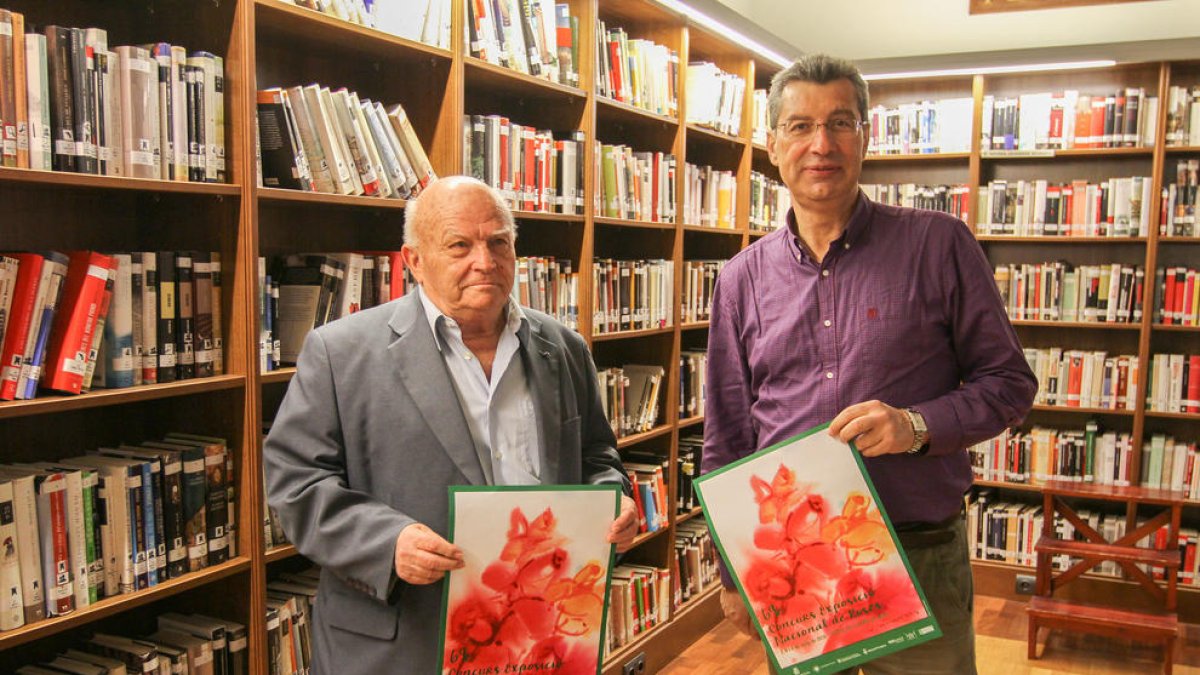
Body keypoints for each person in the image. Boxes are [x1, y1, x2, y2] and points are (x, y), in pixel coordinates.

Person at [702, 53, 1037, 674]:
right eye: (799, 126)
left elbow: (1010, 384)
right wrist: (733, 569)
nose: (821, 143)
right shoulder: (740, 280)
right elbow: (727, 435)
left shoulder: (939, 245)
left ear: (867, 135)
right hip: (794, 566)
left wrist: (914, 426)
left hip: (920, 552)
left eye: (841, 123)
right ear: (772, 144)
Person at [265, 175, 639, 674]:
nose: (484, 262)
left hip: (534, 636)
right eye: (459, 245)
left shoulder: (564, 348)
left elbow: (597, 455)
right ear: (414, 261)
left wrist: (611, 501)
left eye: (498, 242)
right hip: (402, 639)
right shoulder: (340, 353)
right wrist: (387, 543)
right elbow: (296, 483)